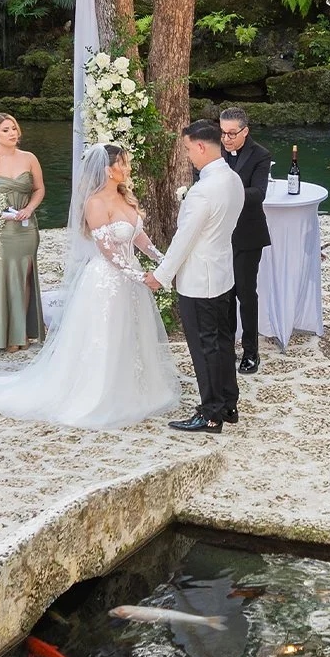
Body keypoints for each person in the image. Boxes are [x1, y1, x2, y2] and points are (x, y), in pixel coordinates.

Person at [0, 144, 179, 429]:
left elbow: (139, 238)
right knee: (105, 336)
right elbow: (108, 251)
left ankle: (136, 387)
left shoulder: (124, 198)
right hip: (107, 281)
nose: (127, 168)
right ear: (108, 170)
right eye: (123, 163)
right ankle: (99, 394)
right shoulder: (95, 203)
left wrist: (165, 261)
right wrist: (142, 276)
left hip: (129, 280)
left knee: (131, 332)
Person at [145, 120, 245, 433]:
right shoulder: (233, 179)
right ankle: (228, 403)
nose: (188, 155)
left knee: (205, 348)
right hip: (221, 274)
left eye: (189, 149)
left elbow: (184, 239)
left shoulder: (203, 191)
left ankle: (211, 413)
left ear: (201, 146)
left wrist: (161, 276)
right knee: (222, 342)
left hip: (200, 281)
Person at [0, 112, 45, 352]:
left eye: (13, 128)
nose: (12, 133)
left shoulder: (29, 158)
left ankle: (20, 332)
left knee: (23, 278)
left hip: (26, 227)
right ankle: (3, 333)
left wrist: (30, 208)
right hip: (1, 229)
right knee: (3, 278)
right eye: (5, 130)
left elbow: (39, 188)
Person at [220, 109, 272, 373]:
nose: (226, 139)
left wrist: (227, 192)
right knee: (223, 292)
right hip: (219, 234)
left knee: (245, 293)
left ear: (245, 131)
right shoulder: (216, 151)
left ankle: (251, 351)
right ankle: (226, 345)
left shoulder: (260, 155)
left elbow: (259, 193)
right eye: (223, 132)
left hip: (247, 234)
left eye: (232, 133)